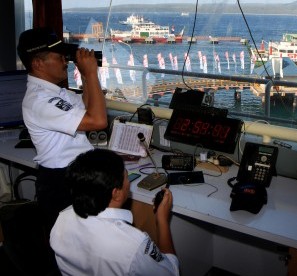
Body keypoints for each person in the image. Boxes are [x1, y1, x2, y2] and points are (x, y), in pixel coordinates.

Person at [16, 27, 107, 232]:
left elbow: (86, 106)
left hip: (74, 175)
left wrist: (85, 76)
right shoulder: (40, 100)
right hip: (61, 183)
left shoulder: (56, 93)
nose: (66, 61)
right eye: (59, 57)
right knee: (73, 250)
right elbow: (98, 120)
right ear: (38, 63)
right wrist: (92, 73)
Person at [50, 149, 179, 275]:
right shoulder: (133, 246)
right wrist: (162, 219)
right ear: (116, 193)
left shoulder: (61, 220)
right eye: (126, 176)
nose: (128, 182)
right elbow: (171, 272)